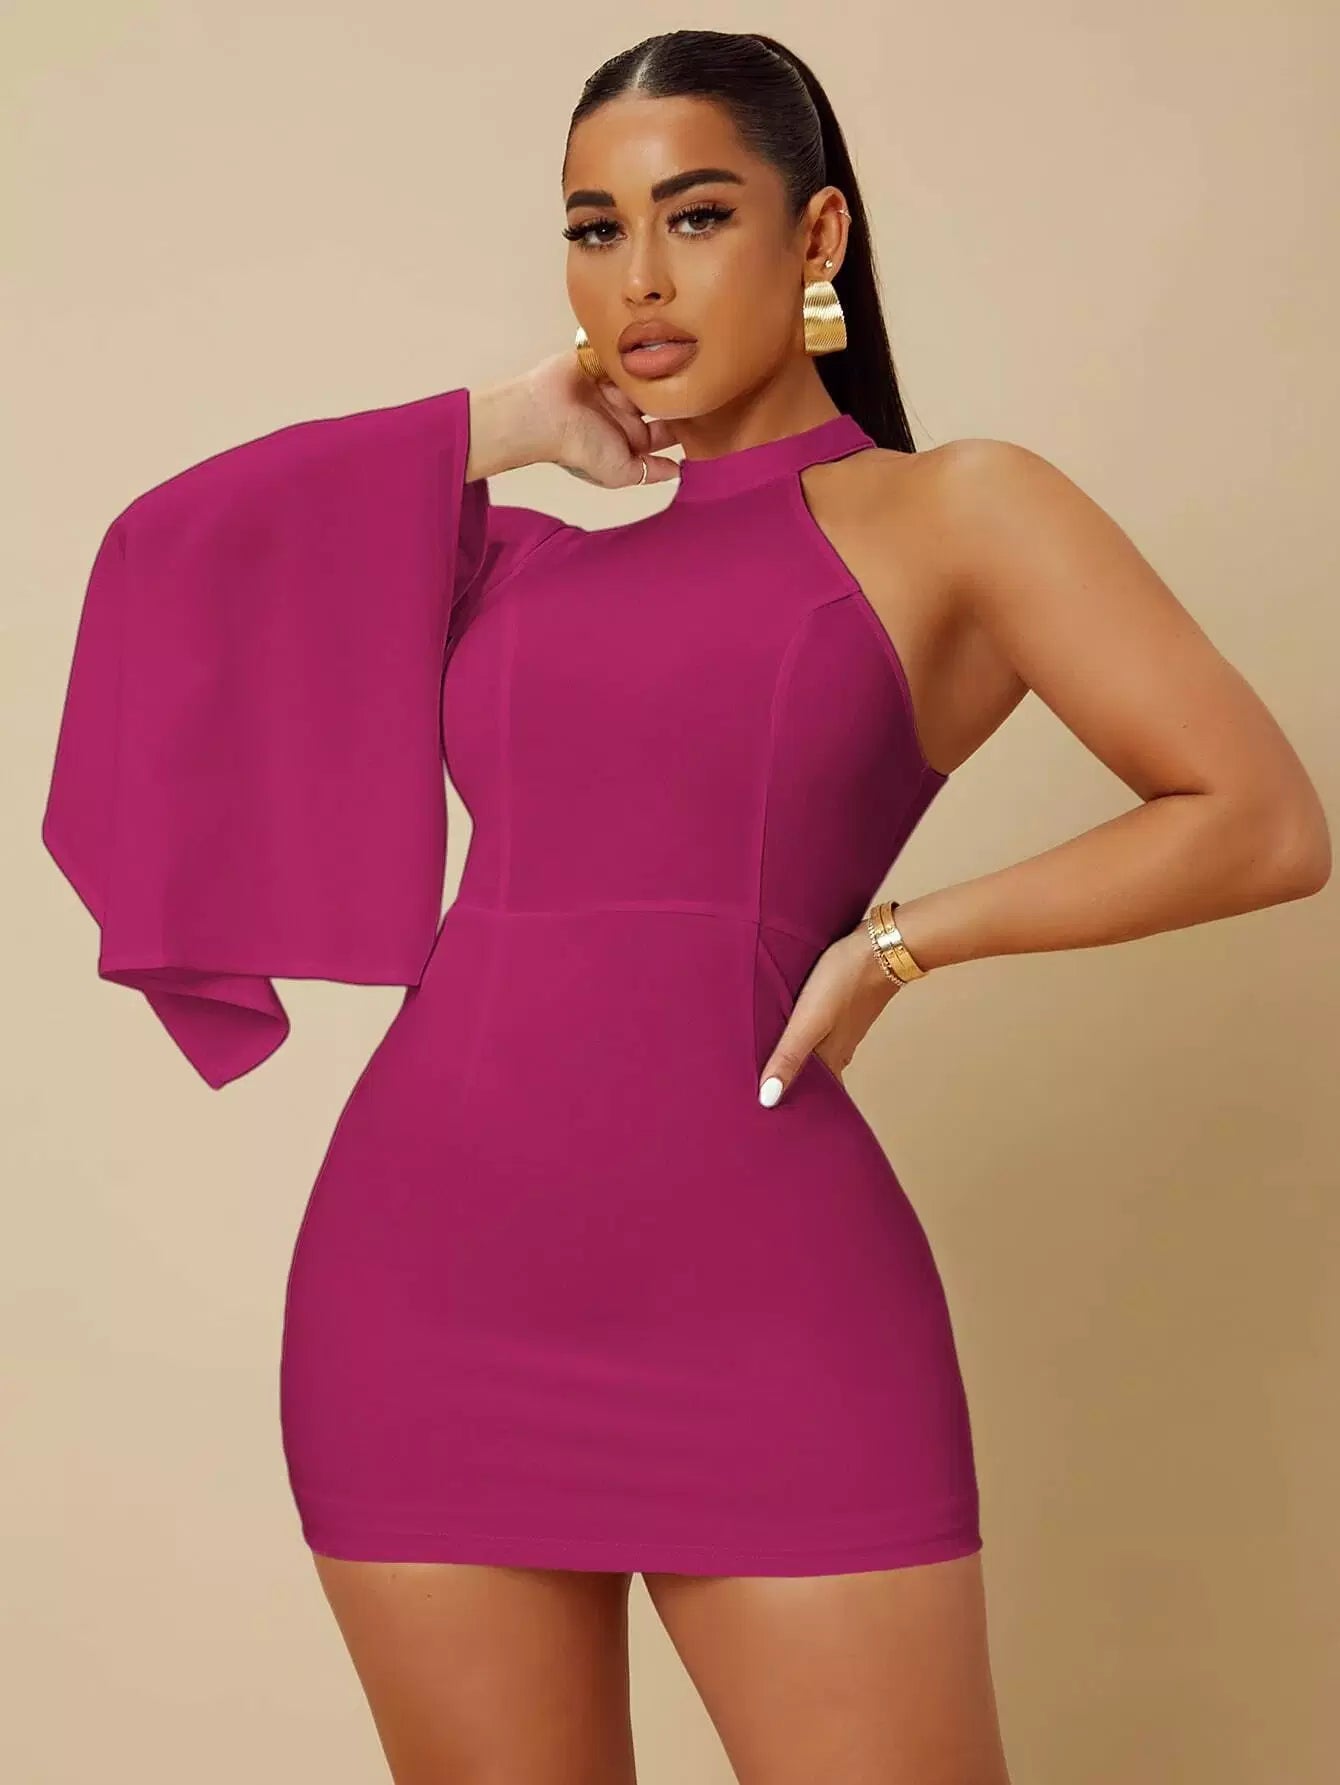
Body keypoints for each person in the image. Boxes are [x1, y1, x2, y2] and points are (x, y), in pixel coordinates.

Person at [42, 27, 1329, 1785]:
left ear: (818, 238)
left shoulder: (957, 512)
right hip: (422, 1292)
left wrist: (899, 943)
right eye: (595, 228)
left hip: (770, 1295)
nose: (638, 276)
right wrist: (503, 426)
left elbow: (1258, 818)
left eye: (697, 214)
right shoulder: (515, 559)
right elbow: (170, 549)